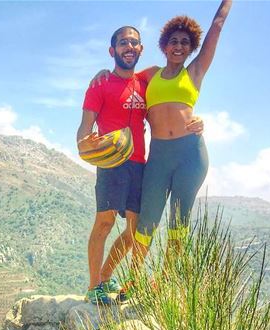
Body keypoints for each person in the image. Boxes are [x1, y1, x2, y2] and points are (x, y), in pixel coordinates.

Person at [91, 1, 232, 283]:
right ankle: (129, 281)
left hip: (190, 156)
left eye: (184, 42)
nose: (178, 46)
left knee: (179, 224)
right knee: (145, 223)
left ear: (191, 48)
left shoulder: (193, 73)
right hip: (158, 158)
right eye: (173, 41)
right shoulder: (150, 75)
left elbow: (216, 27)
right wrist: (102, 73)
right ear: (164, 46)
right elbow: (122, 76)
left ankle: (162, 284)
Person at [77, 26, 203, 305]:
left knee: (135, 230)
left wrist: (198, 121)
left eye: (134, 43)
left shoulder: (147, 82)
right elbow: (83, 132)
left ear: (141, 50)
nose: (129, 47)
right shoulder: (100, 85)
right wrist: (90, 144)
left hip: (140, 164)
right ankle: (94, 286)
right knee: (105, 222)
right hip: (112, 162)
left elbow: (173, 99)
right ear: (113, 51)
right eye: (123, 43)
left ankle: (107, 276)